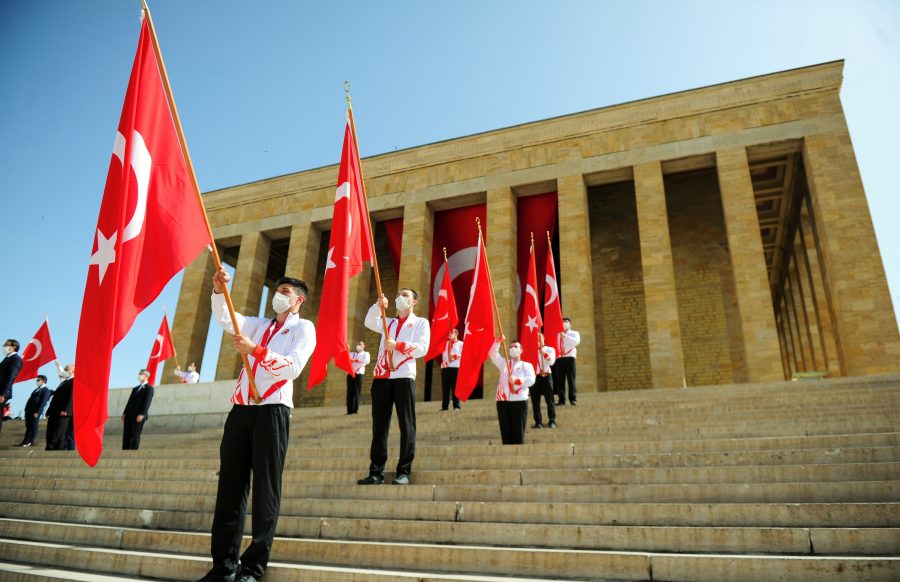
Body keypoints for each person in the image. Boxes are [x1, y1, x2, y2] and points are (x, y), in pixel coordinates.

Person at [197, 270, 315, 582]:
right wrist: (219, 290)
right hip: (241, 409)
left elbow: (293, 367)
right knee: (230, 488)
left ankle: (252, 567)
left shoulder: (303, 328)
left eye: (286, 291)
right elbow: (227, 318)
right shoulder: (259, 325)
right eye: (278, 289)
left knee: (266, 490)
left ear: (298, 300)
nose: (279, 294)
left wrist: (257, 351)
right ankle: (223, 566)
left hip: (273, 410)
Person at [357, 289, 430, 486]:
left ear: (413, 301)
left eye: (405, 295)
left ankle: (404, 471)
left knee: (407, 424)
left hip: (404, 376)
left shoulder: (421, 323)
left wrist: (398, 345)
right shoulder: (387, 322)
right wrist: (377, 306)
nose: (400, 297)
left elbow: (423, 348)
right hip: (382, 376)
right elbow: (369, 322)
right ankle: (376, 472)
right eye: (398, 294)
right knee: (379, 426)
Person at [490, 338, 535, 445]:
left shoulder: (527, 365)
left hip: (519, 401)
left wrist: (517, 380)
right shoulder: (504, 363)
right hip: (503, 401)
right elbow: (492, 354)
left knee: (518, 434)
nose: (513, 348)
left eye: (515, 347)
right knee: (505, 434)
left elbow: (531, 380)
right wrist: (497, 342)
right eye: (510, 347)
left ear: (521, 350)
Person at [121, 369, 154, 450]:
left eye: (141, 374)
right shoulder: (135, 389)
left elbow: (147, 402)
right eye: (139, 373)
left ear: (146, 376)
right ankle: (124, 451)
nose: (139, 375)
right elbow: (129, 402)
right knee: (126, 435)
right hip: (129, 415)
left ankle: (133, 452)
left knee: (135, 434)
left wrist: (142, 414)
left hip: (138, 416)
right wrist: (124, 413)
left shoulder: (149, 388)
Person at [531, 333, 557, 429]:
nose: (538, 340)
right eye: (536, 338)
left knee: (549, 399)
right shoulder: (531, 350)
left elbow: (552, 362)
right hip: (535, 376)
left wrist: (544, 354)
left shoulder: (550, 349)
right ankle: (538, 421)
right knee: (535, 400)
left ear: (543, 338)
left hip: (546, 375)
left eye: (539, 338)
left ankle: (552, 420)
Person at [45, 365, 74, 451]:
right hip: (54, 411)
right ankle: (50, 448)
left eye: (66, 369)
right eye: (64, 369)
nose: (64, 371)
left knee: (59, 432)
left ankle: (58, 449)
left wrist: (66, 410)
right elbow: (55, 398)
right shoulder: (63, 382)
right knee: (51, 431)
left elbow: (71, 397)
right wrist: (49, 410)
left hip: (63, 412)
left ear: (73, 371)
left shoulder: (74, 381)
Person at [554, 317, 581, 405]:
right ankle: (561, 400)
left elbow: (576, 342)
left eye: (566, 322)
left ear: (570, 324)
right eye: (562, 322)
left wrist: (564, 336)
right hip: (559, 358)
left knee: (571, 379)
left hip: (570, 358)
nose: (564, 323)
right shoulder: (557, 334)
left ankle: (573, 399)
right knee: (560, 380)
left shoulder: (574, 333)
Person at [18, 375, 51, 447]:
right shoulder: (36, 389)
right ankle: (24, 441)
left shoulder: (46, 390)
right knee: (28, 426)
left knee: (33, 426)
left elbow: (42, 402)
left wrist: (37, 411)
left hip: (35, 412)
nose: (37, 381)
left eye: (38, 380)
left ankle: (30, 441)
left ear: (43, 381)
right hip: (29, 410)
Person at [0, 339, 23, 435]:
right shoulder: (6, 358)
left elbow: (11, 377)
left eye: (6, 345)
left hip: (2, 392)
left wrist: (3, 394)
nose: (4, 346)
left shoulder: (16, 359)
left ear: (13, 347)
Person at [439, 328, 463, 411]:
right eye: (448, 333)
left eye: (451, 332)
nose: (449, 334)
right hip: (445, 368)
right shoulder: (444, 344)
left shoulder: (461, 344)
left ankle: (456, 406)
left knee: (455, 388)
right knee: (445, 388)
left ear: (456, 334)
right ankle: (444, 406)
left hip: (456, 368)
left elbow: (465, 356)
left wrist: (455, 356)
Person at [346, 341, 370, 415]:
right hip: (350, 374)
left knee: (357, 391)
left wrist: (355, 360)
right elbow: (346, 360)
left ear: (364, 346)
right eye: (358, 344)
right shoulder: (351, 354)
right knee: (350, 392)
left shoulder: (365, 354)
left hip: (359, 374)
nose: (358, 345)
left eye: (360, 344)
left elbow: (366, 361)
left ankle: (355, 409)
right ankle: (349, 410)